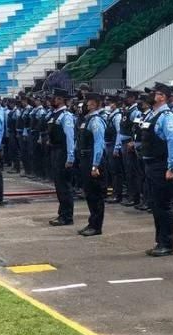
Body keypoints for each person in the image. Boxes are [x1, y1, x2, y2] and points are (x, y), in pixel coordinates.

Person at [142, 83, 173, 256]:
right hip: (151, 164)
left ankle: (167, 243)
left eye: (154, 93)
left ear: (162, 97)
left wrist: (171, 166)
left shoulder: (167, 117)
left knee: (163, 206)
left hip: (160, 165)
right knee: (155, 205)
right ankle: (160, 241)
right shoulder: (153, 115)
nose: (151, 96)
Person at [76, 92, 108, 236]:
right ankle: (92, 222)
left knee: (95, 194)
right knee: (89, 193)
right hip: (85, 158)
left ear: (94, 104)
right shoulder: (87, 120)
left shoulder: (95, 121)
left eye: (87, 102)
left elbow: (99, 144)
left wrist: (95, 164)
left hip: (92, 159)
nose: (85, 104)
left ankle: (96, 226)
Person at [46, 89, 76, 226]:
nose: (53, 100)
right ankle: (62, 213)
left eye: (56, 98)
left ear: (61, 100)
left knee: (64, 186)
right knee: (59, 185)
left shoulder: (66, 116)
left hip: (63, 152)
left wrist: (70, 157)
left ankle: (67, 216)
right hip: (55, 151)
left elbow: (70, 137)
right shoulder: (55, 115)